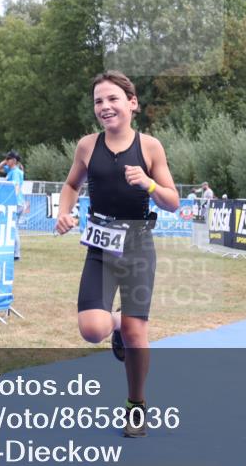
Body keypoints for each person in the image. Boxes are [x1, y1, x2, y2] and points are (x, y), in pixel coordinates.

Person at [55, 70, 179, 438]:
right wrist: (65, 211)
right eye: (98, 101)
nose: (105, 107)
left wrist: (149, 182)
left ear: (132, 103)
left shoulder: (151, 147)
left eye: (112, 99)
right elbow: (70, 184)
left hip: (138, 245)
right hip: (100, 246)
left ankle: (136, 405)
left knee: (137, 332)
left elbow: (172, 201)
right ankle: (116, 326)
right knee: (91, 329)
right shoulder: (87, 146)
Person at [0, 150, 25, 260]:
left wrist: (11, 200)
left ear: (13, 161)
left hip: (16, 203)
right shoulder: (11, 170)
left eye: (8, 159)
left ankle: (16, 254)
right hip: (17, 203)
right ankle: (14, 252)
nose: (6, 161)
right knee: (13, 228)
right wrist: (5, 161)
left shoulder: (15, 172)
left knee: (13, 228)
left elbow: (16, 187)